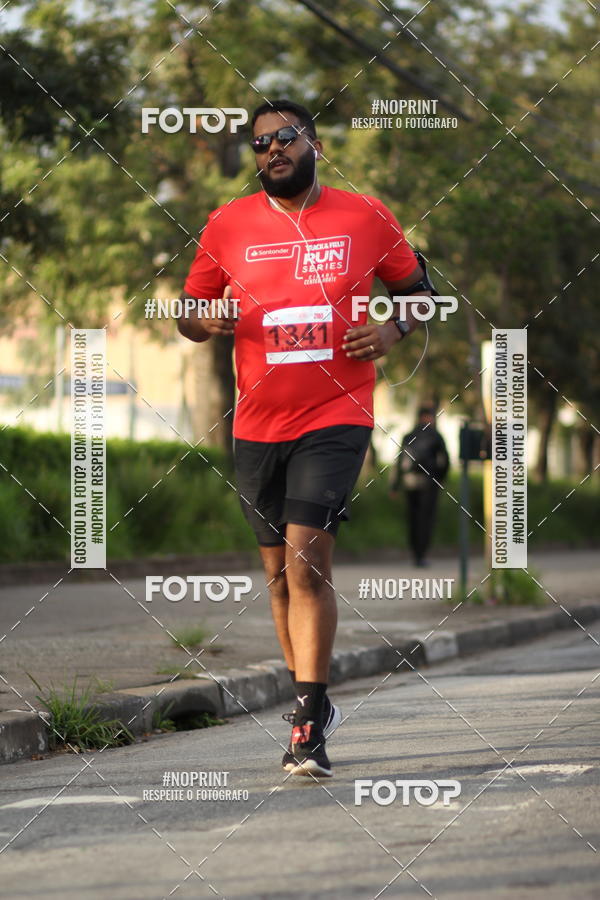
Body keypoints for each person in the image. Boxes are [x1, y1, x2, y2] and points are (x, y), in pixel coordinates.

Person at [178, 99, 432, 777]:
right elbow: (187, 310)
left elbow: (418, 291)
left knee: (305, 561)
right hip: (257, 424)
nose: (271, 152)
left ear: (314, 144)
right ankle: (309, 702)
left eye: (284, 139)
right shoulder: (226, 225)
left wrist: (390, 331)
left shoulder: (365, 215)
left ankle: (307, 729)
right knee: (277, 577)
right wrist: (207, 321)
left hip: (337, 414)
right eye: (259, 145)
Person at [392, 406, 449, 567]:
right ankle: (421, 555)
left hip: (409, 483)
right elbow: (445, 460)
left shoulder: (408, 436)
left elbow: (399, 462)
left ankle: (415, 552)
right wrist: (441, 479)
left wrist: (395, 486)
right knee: (426, 519)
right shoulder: (436, 436)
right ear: (428, 417)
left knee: (413, 518)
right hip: (429, 484)